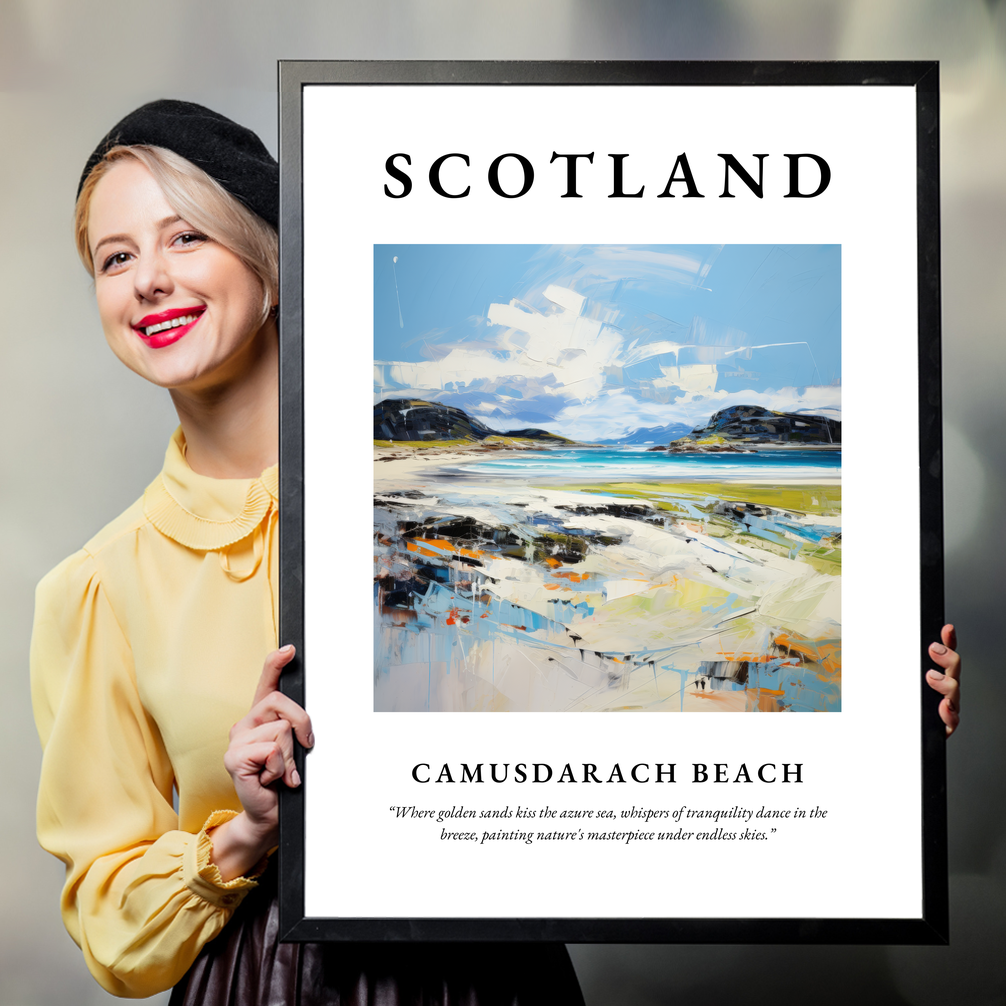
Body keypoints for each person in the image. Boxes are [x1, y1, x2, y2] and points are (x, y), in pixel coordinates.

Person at [30, 100, 585, 1004]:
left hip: (492, 972)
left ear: (273, 264)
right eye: (116, 257)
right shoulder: (97, 587)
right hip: (263, 981)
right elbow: (110, 924)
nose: (148, 281)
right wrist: (245, 832)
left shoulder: (440, 507)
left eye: (186, 239)